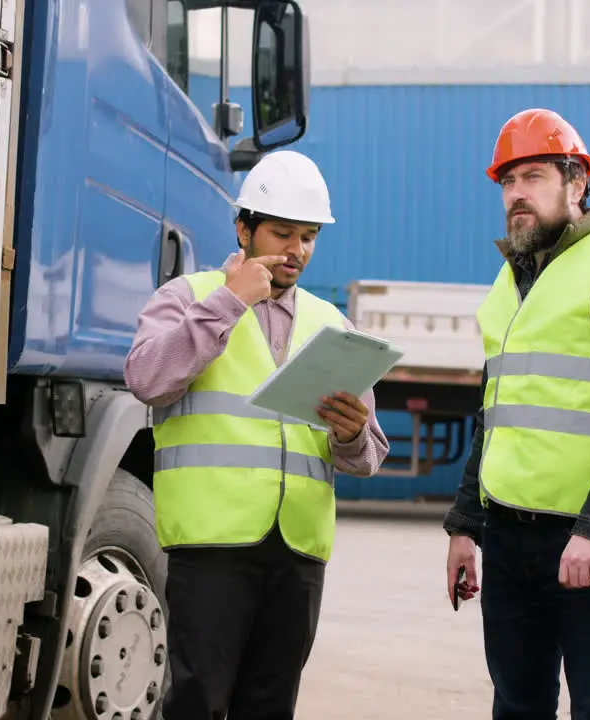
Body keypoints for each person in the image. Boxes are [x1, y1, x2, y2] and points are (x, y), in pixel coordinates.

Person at [124, 149, 390, 720]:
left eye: (310, 237)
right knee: (198, 702)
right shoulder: (187, 298)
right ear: (243, 228)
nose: (297, 250)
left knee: (270, 707)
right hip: (211, 544)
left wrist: (350, 436)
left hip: (297, 551)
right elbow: (147, 379)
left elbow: (368, 456)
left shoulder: (331, 324)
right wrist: (228, 301)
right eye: (282, 233)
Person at [442, 108, 590, 719]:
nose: (517, 194)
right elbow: (493, 413)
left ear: (577, 184)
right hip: (510, 538)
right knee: (517, 705)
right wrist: (466, 526)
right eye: (507, 181)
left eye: (535, 177)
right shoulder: (509, 282)